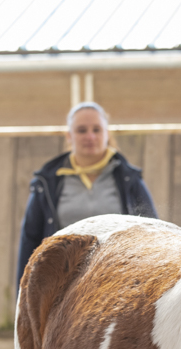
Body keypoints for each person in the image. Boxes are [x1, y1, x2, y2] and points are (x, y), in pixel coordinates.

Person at [17, 101, 157, 284]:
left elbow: (153, 233)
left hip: (119, 283)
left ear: (107, 134)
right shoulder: (47, 182)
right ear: (69, 136)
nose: (90, 136)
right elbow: (30, 240)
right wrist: (23, 294)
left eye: (96, 130)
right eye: (81, 130)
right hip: (61, 285)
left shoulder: (130, 179)